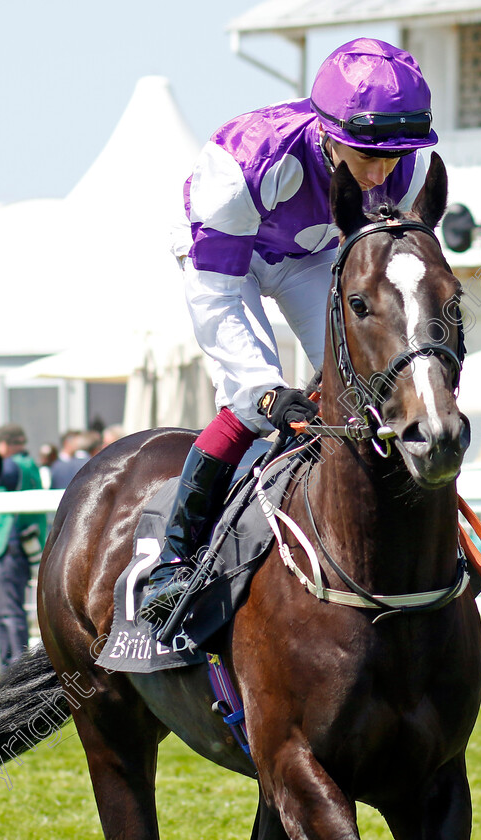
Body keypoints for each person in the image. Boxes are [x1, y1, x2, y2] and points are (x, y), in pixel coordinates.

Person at [141, 38, 439, 625]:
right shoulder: (245, 163)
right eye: (365, 155)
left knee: (372, 391)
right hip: (228, 258)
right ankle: (173, 565)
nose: (381, 172)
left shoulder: (414, 169)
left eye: (393, 156)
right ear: (328, 133)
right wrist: (261, 385)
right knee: (253, 402)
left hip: (310, 257)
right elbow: (218, 292)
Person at [0, 423, 47, 669]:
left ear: (5, 444)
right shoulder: (29, 465)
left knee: (7, 614)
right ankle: (11, 669)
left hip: (9, 547)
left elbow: (2, 472)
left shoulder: (12, 464)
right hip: (14, 546)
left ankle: (16, 671)